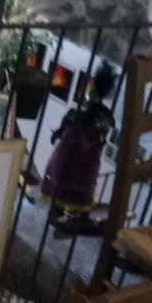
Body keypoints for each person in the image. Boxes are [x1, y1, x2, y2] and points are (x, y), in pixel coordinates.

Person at [41, 61, 116, 232]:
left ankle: (75, 216)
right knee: (66, 177)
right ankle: (61, 212)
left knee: (78, 181)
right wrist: (60, 131)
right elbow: (71, 117)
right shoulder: (90, 108)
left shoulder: (101, 112)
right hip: (74, 150)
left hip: (83, 153)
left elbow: (108, 124)